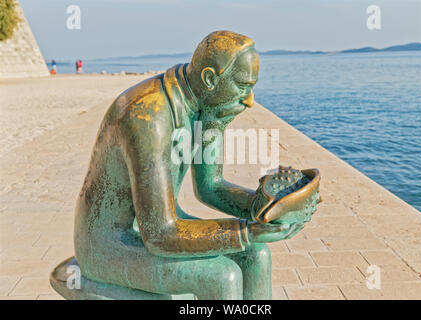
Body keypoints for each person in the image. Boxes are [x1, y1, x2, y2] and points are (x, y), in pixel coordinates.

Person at [72, 31, 302, 300]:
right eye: (242, 86)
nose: (250, 100)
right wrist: (247, 230)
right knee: (221, 277)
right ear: (209, 79)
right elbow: (160, 234)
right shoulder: (147, 117)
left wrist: (263, 209)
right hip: (109, 245)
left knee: (256, 255)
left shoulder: (208, 105)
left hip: (159, 227)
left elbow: (210, 187)